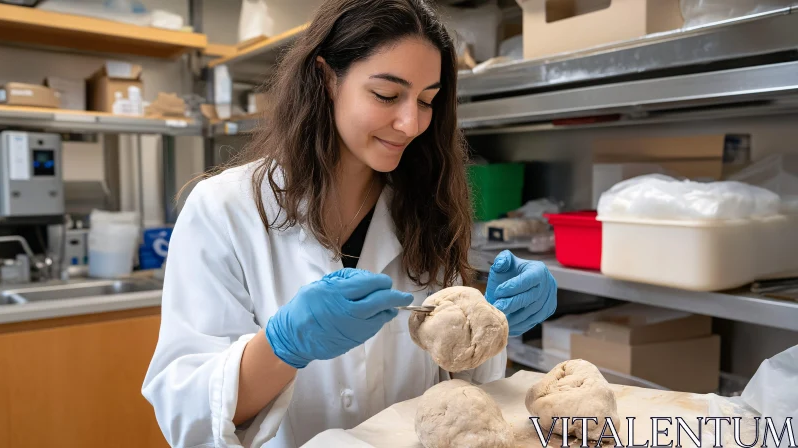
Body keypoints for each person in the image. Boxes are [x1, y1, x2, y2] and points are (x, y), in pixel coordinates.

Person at [141, 0, 558, 446]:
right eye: (386, 95)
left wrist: (488, 328)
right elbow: (188, 416)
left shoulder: (425, 207)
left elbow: (457, 387)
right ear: (326, 78)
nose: (411, 122)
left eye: (427, 100)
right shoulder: (224, 210)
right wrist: (283, 346)